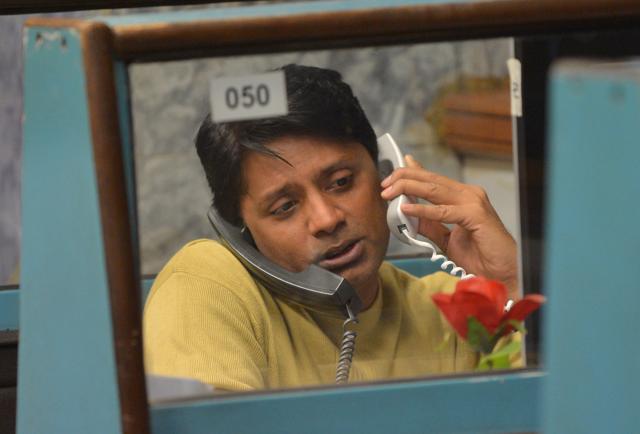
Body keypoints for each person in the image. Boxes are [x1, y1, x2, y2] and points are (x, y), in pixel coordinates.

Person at [143, 64, 518, 391]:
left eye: (341, 182)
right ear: (240, 228)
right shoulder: (208, 284)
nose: (326, 219)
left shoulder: (450, 308)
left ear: (385, 173)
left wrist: (512, 282)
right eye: (284, 207)